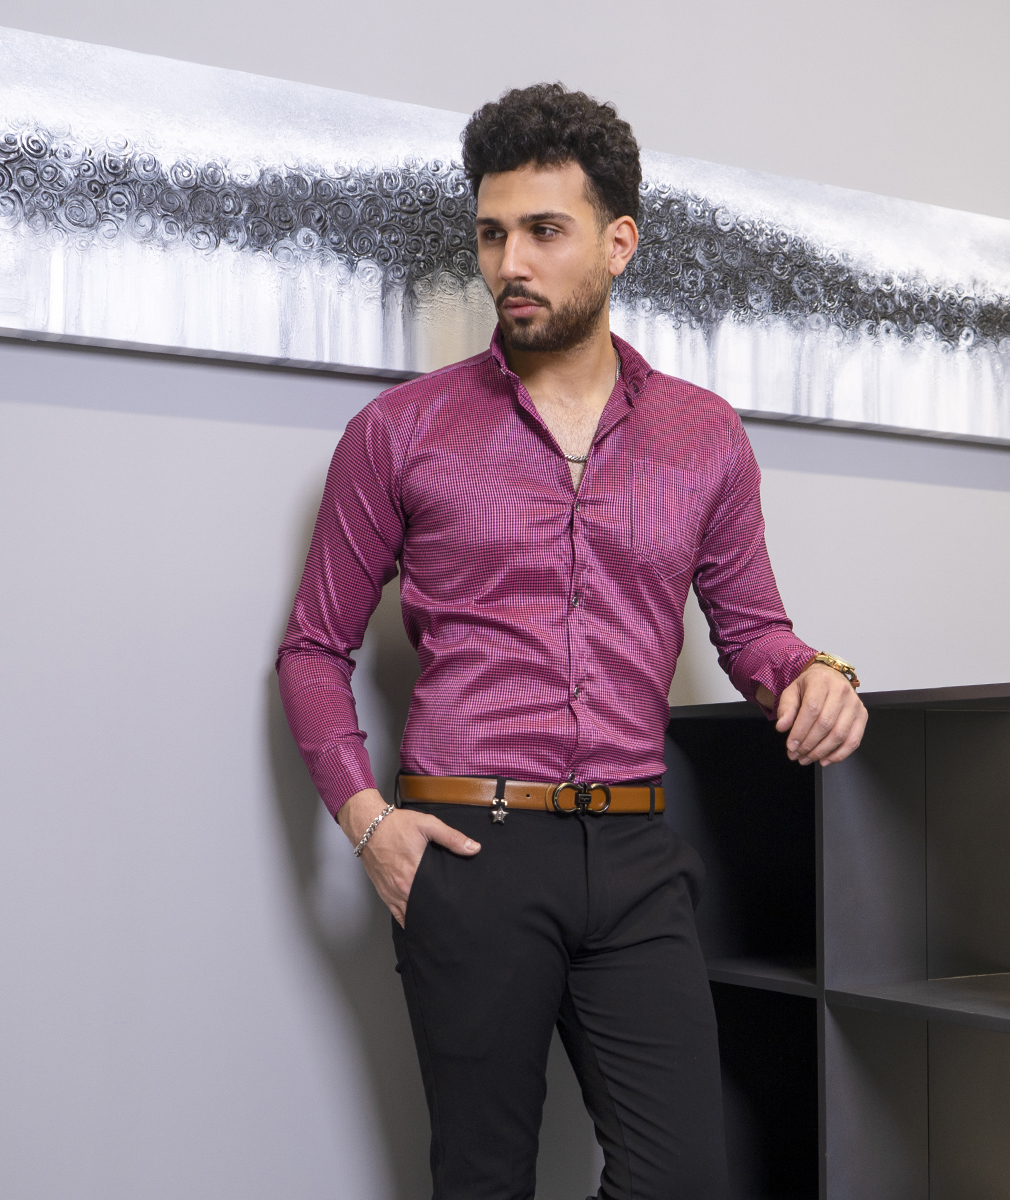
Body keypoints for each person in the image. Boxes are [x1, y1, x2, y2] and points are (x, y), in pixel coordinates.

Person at [277, 83, 867, 1200]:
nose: (511, 264)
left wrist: (817, 678)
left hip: (639, 854)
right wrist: (367, 823)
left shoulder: (704, 435)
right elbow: (312, 649)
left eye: (544, 231)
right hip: (469, 847)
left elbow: (756, 635)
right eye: (492, 234)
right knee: (485, 1180)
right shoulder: (399, 432)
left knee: (681, 1178)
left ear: (618, 242)